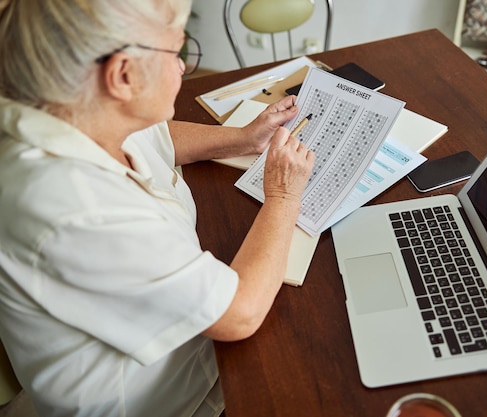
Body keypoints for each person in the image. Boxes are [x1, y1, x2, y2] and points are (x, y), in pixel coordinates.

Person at [0, 1, 315, 416]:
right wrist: (283, 195)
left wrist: (242, 138)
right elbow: (239, 314)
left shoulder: (73, 108)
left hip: (188, 354)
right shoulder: (77, 207)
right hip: (155, 401)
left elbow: (153, 135)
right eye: (176, 53)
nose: (184, 68)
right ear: (123, 75)